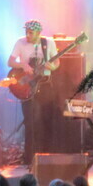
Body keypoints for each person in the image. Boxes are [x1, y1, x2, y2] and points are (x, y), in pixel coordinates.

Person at [8, 20, 59, 164]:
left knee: (47, 120)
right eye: (26, 32)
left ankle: (46, 158)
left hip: (45, 84)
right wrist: (23, 65)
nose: (27, 35)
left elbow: (57, 62)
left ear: (39, 33)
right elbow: (10, 62)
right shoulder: (20, 42)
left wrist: (53, 67)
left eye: (31, 32)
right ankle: (30, 158)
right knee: (31, 122)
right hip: (28, 86)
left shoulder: (48, 43)